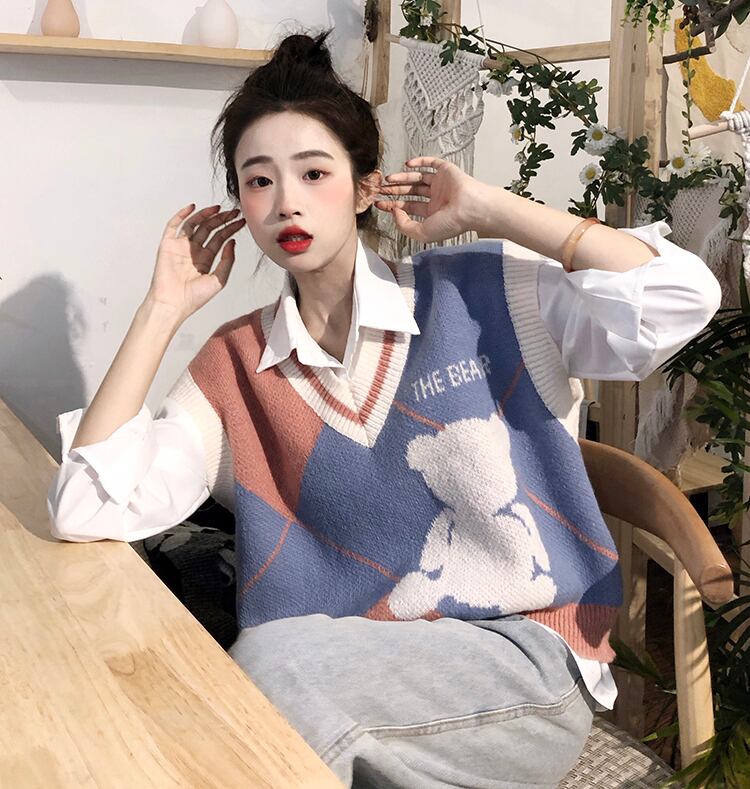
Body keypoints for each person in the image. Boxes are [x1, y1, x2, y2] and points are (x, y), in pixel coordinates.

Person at [47, 30, 721, 788]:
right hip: (346, 692)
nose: (287, 201)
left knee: (268, 675)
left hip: (518, 674)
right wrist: (162, 308)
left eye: (314, 172)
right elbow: (86, 507)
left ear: (367, 187)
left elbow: (681, 298)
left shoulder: (485, 293)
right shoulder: (236, 363)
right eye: (259, 180)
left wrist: (489, 207)